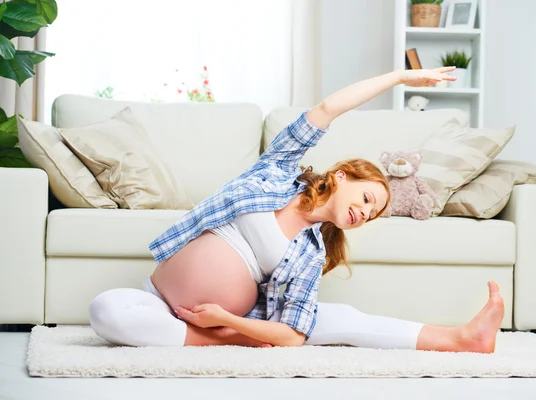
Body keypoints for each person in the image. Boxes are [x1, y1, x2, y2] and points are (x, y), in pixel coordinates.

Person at [89, 66, 505, 353]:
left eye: (372, 214)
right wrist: (397, 77)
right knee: (105, 310)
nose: (365, 213)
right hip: (158, 301)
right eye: (366, 199)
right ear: (342, 175)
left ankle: (463, 339)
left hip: (229, 318)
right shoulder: (277, 172)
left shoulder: (312, 251)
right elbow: (327, 110)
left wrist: (224, 318)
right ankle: (225, 344)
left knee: (338, 320)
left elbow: (291, 334)